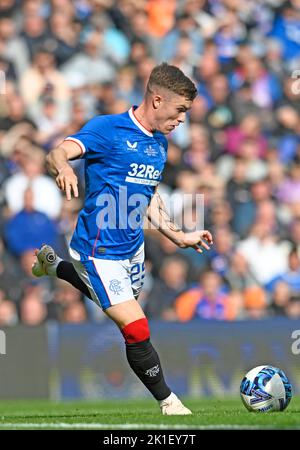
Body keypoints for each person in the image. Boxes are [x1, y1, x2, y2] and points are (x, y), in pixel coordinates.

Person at [32, 63, 213, 415]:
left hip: (132, 249)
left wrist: (178, 236)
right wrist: (65, 167)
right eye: (180, 111)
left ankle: (54, 266)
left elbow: (149, 196)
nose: (182, 121)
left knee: (111, 303)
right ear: (157, 100)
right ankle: (169, 402)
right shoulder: (107, 129)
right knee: (135, 325)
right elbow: (56, 153)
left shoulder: (158, 144)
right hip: (98, 250)